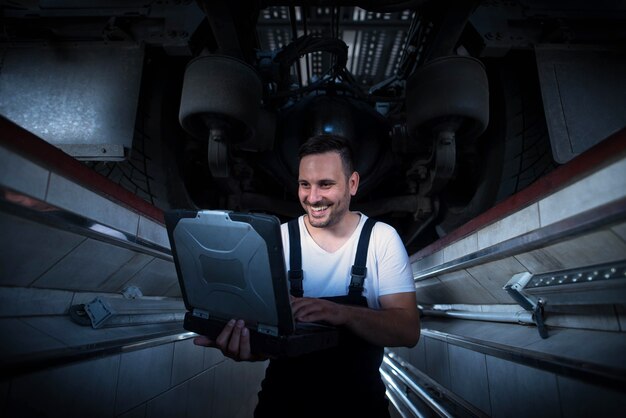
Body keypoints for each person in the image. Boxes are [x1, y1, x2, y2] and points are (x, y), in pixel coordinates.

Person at [194, 134, 420, 418]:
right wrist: (248, 349)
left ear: (352, 183)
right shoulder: (279, 239)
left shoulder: (381, 239)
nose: (313, 198)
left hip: (361, 407)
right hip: (283, 405)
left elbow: (408, 330)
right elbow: (268, 338)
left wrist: (342, 313)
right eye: (305, 185)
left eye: (325, 184)